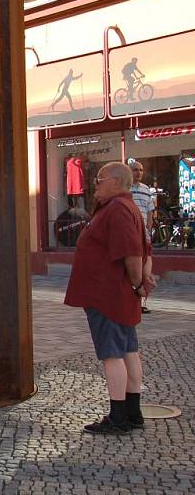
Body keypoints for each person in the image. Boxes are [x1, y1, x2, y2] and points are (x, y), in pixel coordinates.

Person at [64, 162, 156, 435]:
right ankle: (133, 413)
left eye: (100, 180)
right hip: (116, 293)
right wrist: (139, 283)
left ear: (116, 182)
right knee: (128, 350)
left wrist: (139, 283)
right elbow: (145, 250)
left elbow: (133, 252)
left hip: (108, 294)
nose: (96, 185)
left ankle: (118, 417)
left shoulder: (117, 209)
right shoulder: (126, 208)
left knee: (112, 355)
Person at [128, 160, 155, 314]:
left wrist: (149, 230)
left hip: (144, 236)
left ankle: (143, 302)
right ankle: (134, 301)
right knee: (134, 269)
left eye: (141, 170)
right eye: (135, 170)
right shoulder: (124, 189)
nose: (139, 173)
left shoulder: (146, 189)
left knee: (146, 270)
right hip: (131, 235)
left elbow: (150, 211)